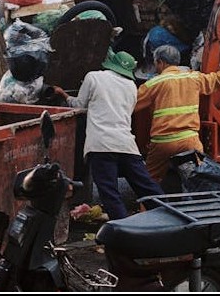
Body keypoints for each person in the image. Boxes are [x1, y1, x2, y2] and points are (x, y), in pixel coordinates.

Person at [53, 50, 164, 220]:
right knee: (146, 187)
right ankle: (168, 218)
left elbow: (79, 105)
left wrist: (63, 94)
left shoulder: (94, 77)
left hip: (101, 144)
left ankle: (123, 230)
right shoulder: (132, 87)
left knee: (109, 192)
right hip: (127, 145)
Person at [134, 44, 220, 184]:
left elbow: (131, 104)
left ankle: (147, 205)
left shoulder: (153, 84)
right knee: (199, 179)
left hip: (163, 142)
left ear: (161, 62)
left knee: (149, 181)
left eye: (156, 63)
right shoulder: (193, 78)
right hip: (190, 141)